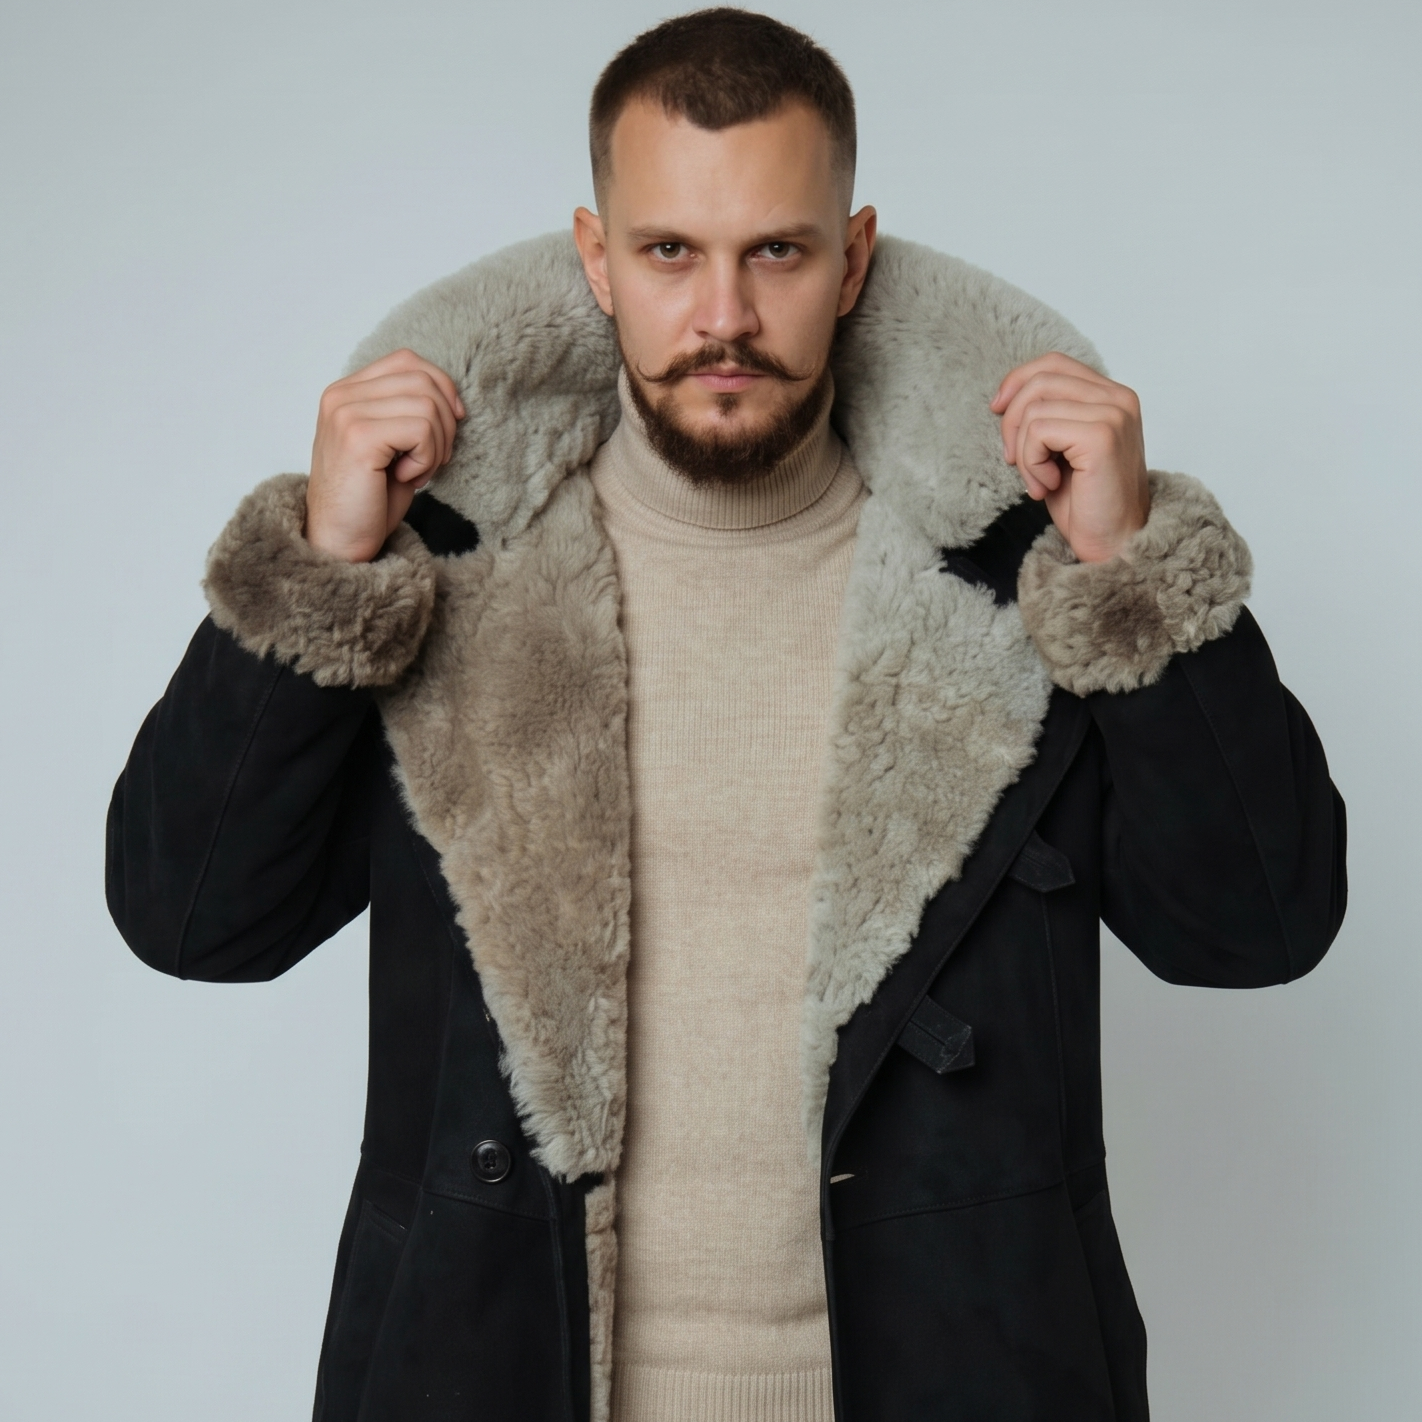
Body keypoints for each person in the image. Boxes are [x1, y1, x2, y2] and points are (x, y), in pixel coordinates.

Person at [105, 9, 1346, 1421]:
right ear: (595, 260)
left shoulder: (1015, 576)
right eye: (668, 253)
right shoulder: (449, 571)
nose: (723, 320)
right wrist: (327, 569)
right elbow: (192, 919)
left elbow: (1258, 928)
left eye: (776, 252)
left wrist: (1126, 573)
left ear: (852, 260)